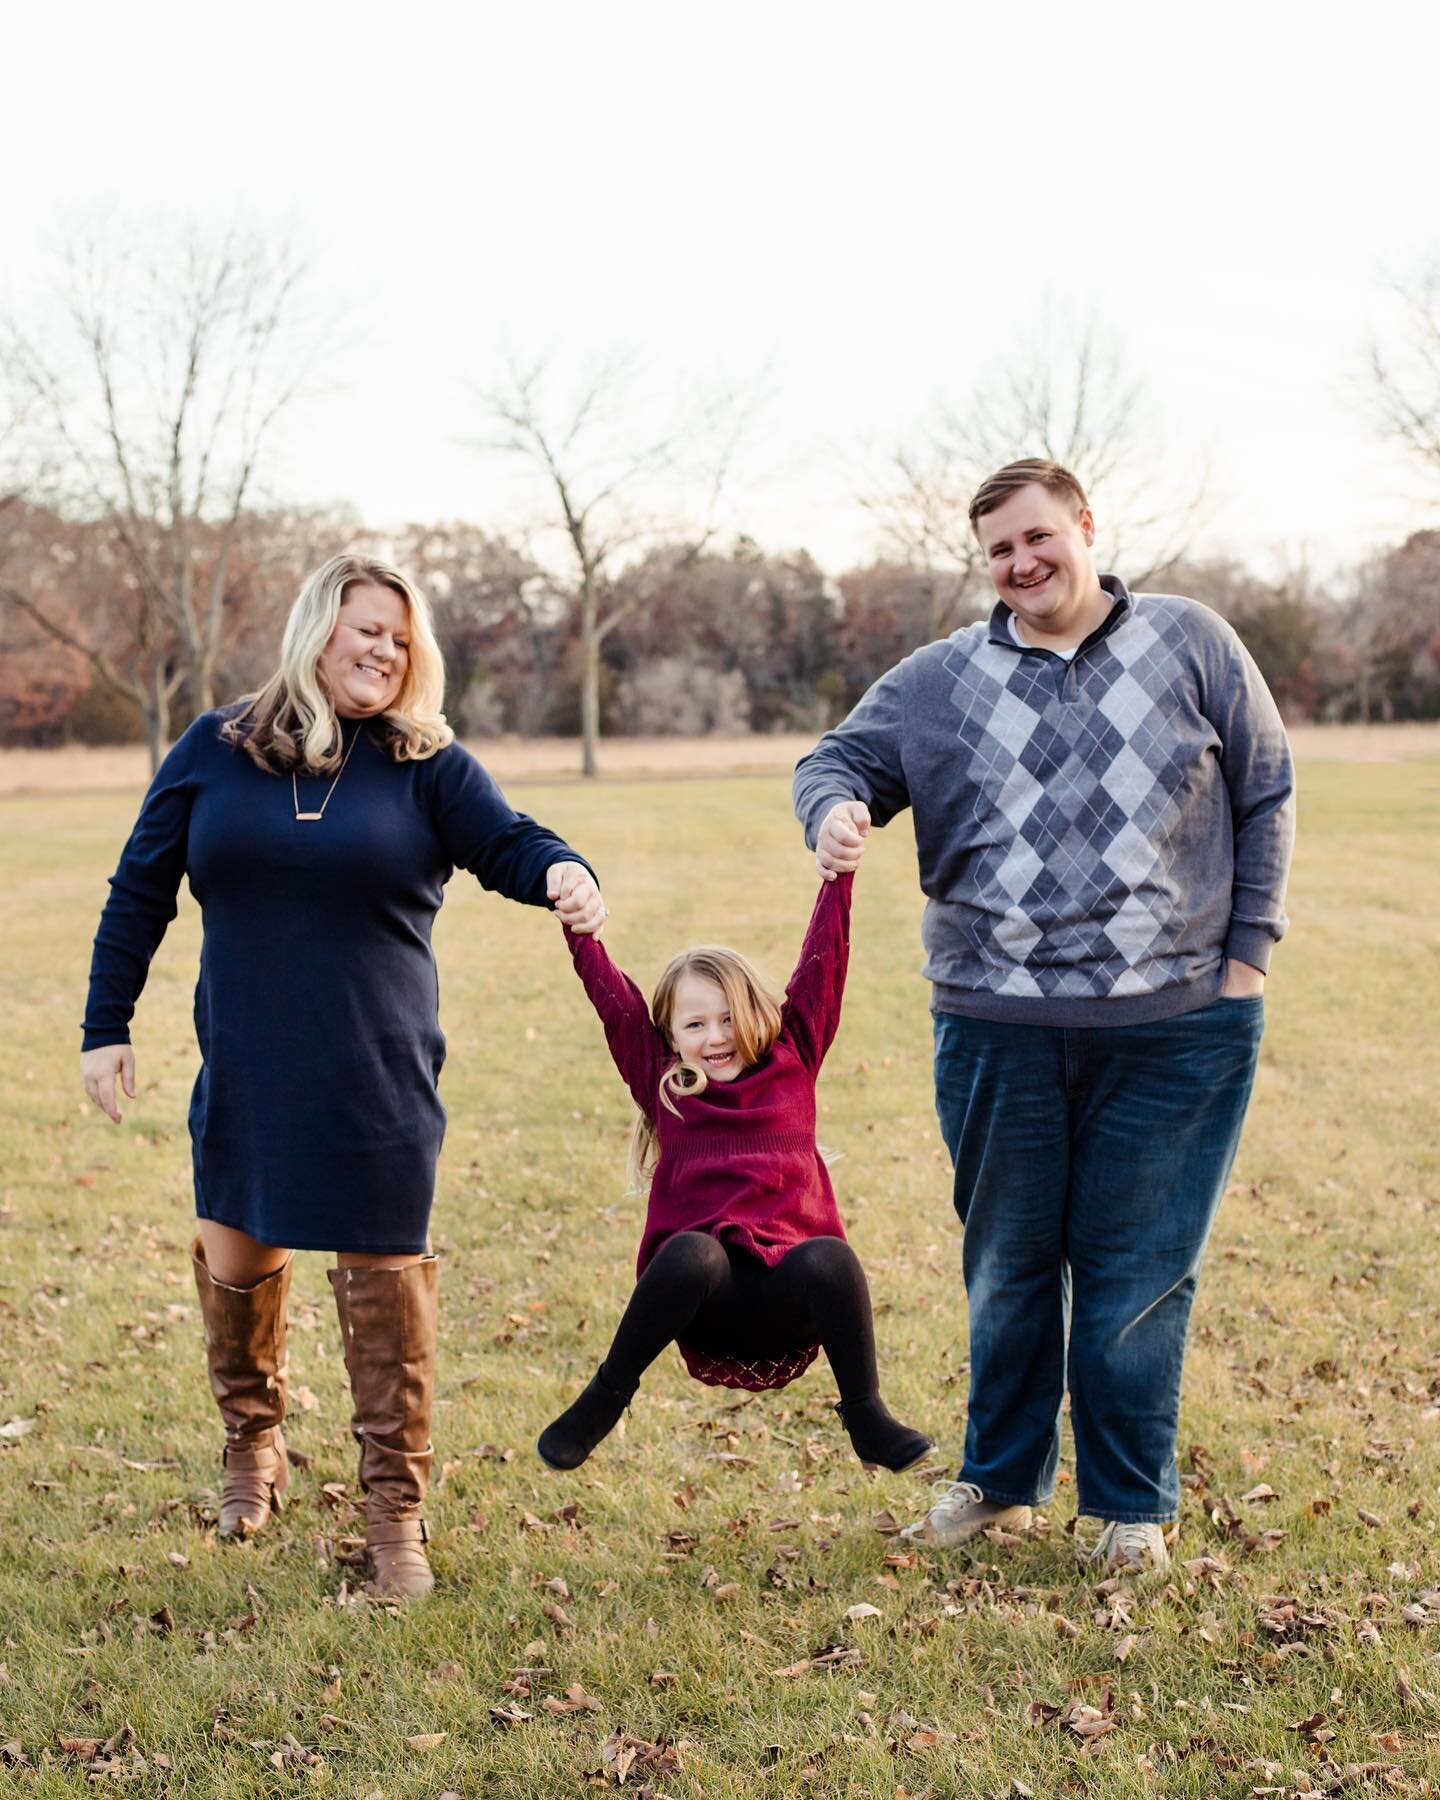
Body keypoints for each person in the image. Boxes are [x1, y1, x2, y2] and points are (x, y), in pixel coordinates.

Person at [793, 459, 1295, 1573]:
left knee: (1138, 1266)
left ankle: (1128, 1505)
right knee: (1010, 1262)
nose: (1023, 565)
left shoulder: (1192, 642)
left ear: (1084, 527)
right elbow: (838, 760)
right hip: (996, 1020)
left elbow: (1267, 791)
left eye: (1037, 539)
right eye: (999, 553)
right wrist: (834, 811)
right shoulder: (940, 680)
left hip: (1177, 1026)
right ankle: (1002, 1480)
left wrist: (1247, 962)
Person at [80, 553, 604, 1598]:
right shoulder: (214, 749)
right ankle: (251, 1445)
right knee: (237, 1261)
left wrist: (561, 868)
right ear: (318, 628)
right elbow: (140, 888)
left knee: (386, 1284)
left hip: (377, 1068)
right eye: (368, 629)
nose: (386, 651)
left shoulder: (425, 761)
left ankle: (393, 1519)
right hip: (250, 1060)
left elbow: (505, 839)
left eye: (403, 639)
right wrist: (107, 1023)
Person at [536, 871, 932, 1475]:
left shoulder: (794, 1056)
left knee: (832, 1257)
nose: (715, 1037)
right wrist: (579, 931)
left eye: (727, 1019)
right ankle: (603, 1399)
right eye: (694, 1026)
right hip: (705, 1304)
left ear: (758, 1014)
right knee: (691, 1253)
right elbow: (614, 1005)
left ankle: (866, 1414)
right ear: (669, 1036)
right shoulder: (664, 1084)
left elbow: (824, 960)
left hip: (791, 1299)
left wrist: (839, 877)